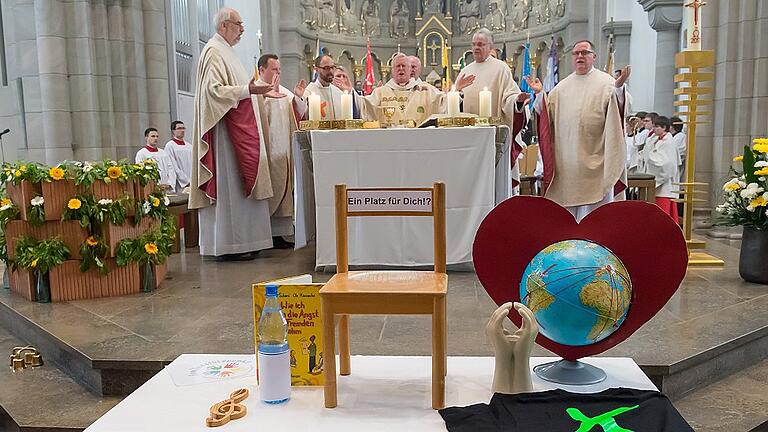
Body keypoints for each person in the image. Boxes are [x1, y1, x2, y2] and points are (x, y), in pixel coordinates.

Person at [190, 7, 286, 261]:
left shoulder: (227, 52)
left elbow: (241, 89)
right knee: (230, 188)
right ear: (224, 26)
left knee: (242, 187)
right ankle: (229, 244)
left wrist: (253, 91)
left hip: (239, 130)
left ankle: (245, 241)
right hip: (225, 136)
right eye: (238, 24)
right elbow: (213, 91)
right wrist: (247, 90)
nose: (242, 29)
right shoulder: (213, 51)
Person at [525, 40, 630, 221]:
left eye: (585, 53)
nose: (580, 57)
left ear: (593, 56)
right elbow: (546, 119)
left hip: (597, 166)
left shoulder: (607, 84)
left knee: (596, 221)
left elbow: (619, 113)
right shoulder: (560, 89)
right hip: (568, 166)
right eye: (576, 54)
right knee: (568, 223)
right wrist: (540, 95)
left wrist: (619, 89)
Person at [456, 29, 530, 187]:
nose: (476, 48)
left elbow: (509, 96)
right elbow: (454, 103)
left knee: (495, 184)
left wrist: (517, 101)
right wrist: (457, 93)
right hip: (469, 138)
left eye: (481, 44)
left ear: (490, 47)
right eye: (474, 44)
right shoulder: (465, 71)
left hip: (494, 138)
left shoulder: (500, 69)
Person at [257, 54, 308, 249]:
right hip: (266, 152)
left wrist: (298, 98)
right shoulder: (256, 90)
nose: (278, 73)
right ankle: (265, 234)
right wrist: (264, 96)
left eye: (279, 69)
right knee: (270, 190)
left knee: (285, 189)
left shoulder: (284, 92)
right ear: (262, 70)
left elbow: (297, 114)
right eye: (274, 69)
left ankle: (280, 234)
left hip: (285, 151)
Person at [357, 53, 473, 126]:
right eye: (398, 66)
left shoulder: (425, 90)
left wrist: (456, 89)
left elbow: (443, 102)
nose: (401, 69)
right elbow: (363, 106)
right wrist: (349, 93)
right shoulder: (380, 92)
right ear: (392, 70)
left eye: (404, 66)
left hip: (420, 140)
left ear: (410, 70)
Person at [642, 115, 679, 221]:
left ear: (664, 127)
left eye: (657, 127)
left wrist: (649, 155)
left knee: (663, 214)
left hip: (664, 184)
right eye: (653, 126)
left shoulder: (668, 143)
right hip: (655, 183)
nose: (654, 129)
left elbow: (666, 164)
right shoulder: (654, 139)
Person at [304, 55, 359, 120]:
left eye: (332, 67)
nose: (330, 71)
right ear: (316, 69)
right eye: (326, 68)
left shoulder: (338, 92)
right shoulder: (309, 92)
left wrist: (350, 91)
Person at [136, 127, 177, 192]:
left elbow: (171, 169)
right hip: (152, 189)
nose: (155, 138)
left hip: (166, 188)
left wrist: (169, 184)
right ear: (146, 138)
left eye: (157, 136)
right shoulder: (141, 153)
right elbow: (141, 173)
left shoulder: (164, 153)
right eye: (153, 136)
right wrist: (155, 185)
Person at [164, 121, 192, 192]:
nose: (182, 130)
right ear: (173, 131)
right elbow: (173, 166)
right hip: (180, 183)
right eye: (179, 128)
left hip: (192, 181)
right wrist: (186, 181)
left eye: (183, 128)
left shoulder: (189, 146)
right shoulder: (170, 146)